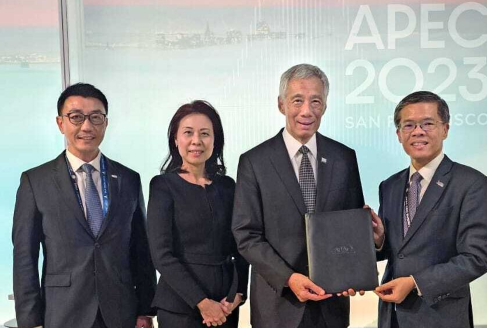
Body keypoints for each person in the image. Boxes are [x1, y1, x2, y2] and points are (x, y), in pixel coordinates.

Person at [12, 83, 157, 328]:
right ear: (61, 123)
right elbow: (25, 257)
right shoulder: (35, 181)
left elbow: (141, 250)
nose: (87, 126)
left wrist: (145, 310)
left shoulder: (128, 179)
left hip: (120, 311)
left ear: (106, 123)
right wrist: (30, 321)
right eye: (76, 117)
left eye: (95, 117)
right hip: (63, 313)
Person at [232, 64, 365, 328]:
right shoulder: (254, 162)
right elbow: (246, 235)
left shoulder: (344, 158)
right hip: (278, 306)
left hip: (332, 307)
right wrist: (289, 278)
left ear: (325, 106)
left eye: (316, 101)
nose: (307, 110)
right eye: (297, 100)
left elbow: (353, 226)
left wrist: (355, 273)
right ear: (281, 105)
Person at [371, 91, 487, 328]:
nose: (418, 131)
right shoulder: (389, 186)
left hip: (442, 317)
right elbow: (398, 251)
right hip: (392, 318)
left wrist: (415, 282)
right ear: (399, 134)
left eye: (428, 123)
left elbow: (477, 257)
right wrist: (379, 240)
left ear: (445, 129)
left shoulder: (472, 184)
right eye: (409, 125)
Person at [147, 100, 249, 328]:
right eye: (188, 133)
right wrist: (202, 303)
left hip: (225, 305)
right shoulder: (163, 186)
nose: (196, 141)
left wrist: (238, 294)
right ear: (175, 139)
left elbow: (242, 244)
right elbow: (161, 255)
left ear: (215, 140)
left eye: (205, 133)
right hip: (180, 306)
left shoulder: (228, 186)